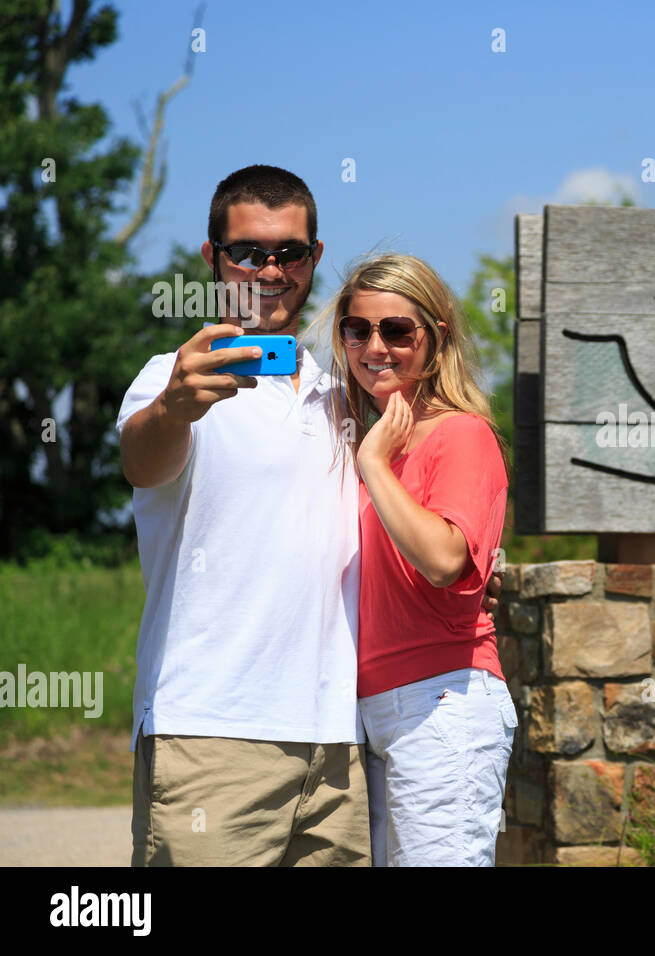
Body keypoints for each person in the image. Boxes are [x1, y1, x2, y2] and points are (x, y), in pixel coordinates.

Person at [117, 166, 501, 866]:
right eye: (247, 252)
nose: (269, 269)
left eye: (289, 252)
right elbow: (141, 460)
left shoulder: (350, 402)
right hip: (212, 734)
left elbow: (420, 530)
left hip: (341, 747)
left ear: (314, 258)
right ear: (212, 256)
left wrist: (475, 584)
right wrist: (176, 404)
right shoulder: (171, 379)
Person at [315, 253, 514, 866]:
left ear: (436, 337)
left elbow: (442, 559)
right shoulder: (366, 438)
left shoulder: (460, 434)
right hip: (366, 711)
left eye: (397, 330)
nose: (376, 346)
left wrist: (375, 464)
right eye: (357, 329)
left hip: (441, 705)